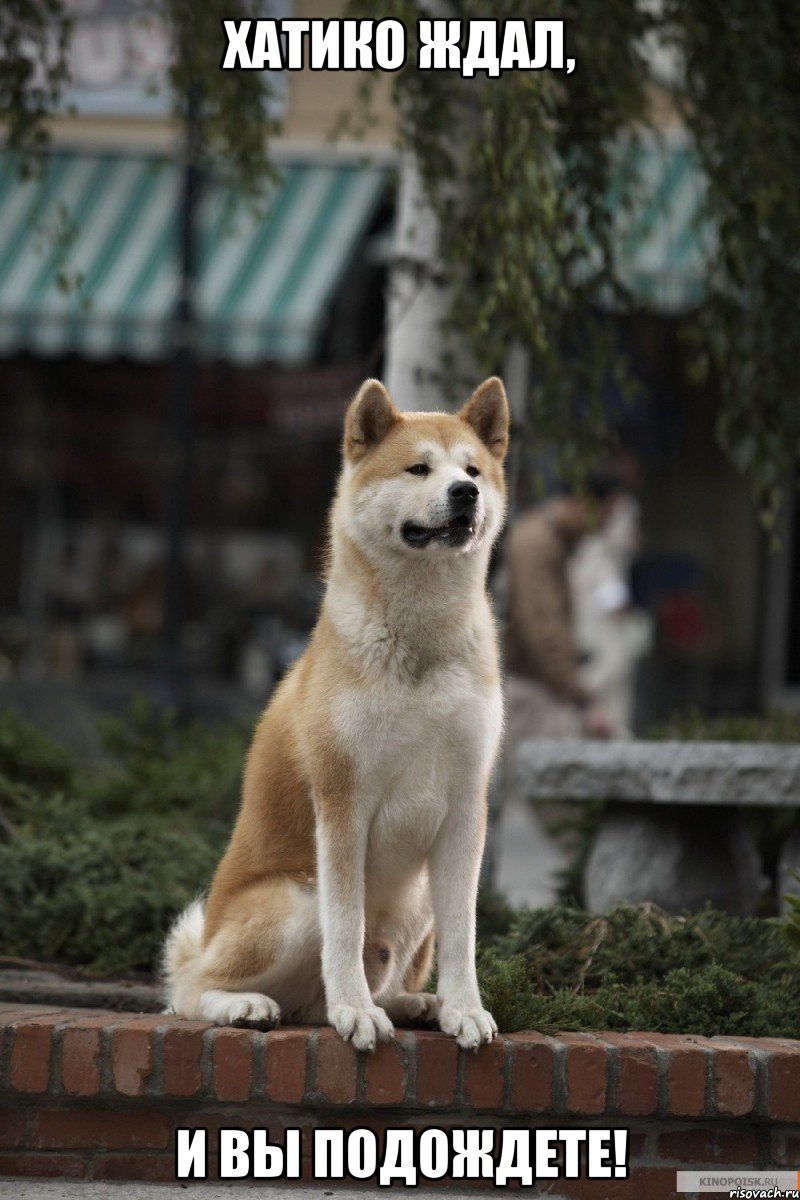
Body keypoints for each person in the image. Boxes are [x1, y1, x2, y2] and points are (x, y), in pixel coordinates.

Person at [504, 470, 627, 743]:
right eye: (606, 515)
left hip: (537, 687)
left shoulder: (551, 541)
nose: (605, 527)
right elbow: (542, 630)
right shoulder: (538, 544)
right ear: (586, 502)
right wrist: (583, 701)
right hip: (527, 691)